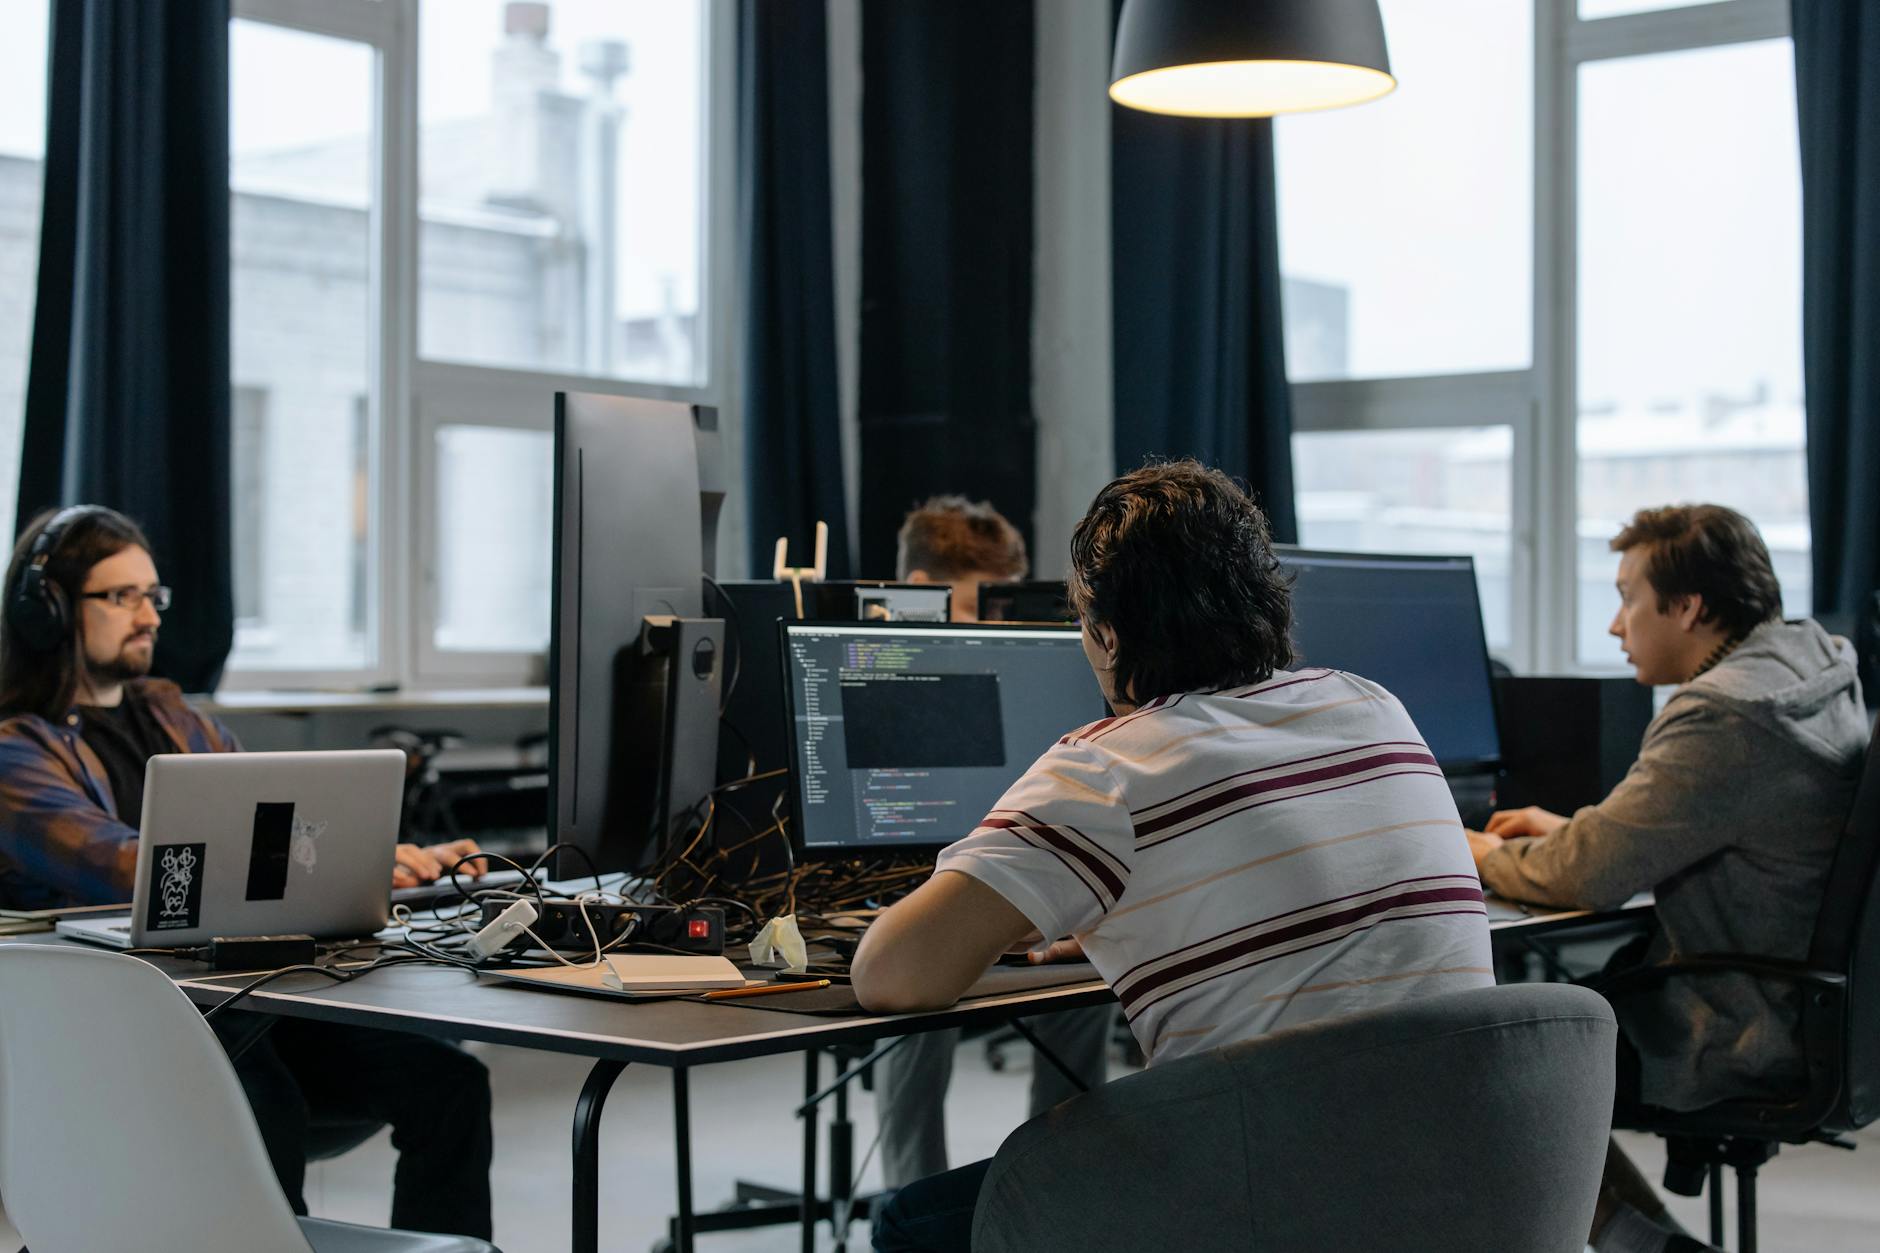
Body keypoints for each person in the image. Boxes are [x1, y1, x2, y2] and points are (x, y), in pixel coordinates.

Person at [858, 462, 1494, 1251]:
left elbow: (890, 973)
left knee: (912, 1222)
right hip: (1458, 1178)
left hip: (1270, 1196)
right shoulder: (1374, 705)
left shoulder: (1108, 768)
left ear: (1108, 632)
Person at [0, 505, 496, 1240]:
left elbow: (274, 831)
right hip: (127, 1024)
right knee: (262, 1100)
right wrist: (296, 857)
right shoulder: (15, 750)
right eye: (122, 596)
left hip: (244, 1001)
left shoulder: (174, 715)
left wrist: (376, 863)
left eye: (153, 595)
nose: (149, 615)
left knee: (449, 1083)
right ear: (48, 610)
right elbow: (128, 867)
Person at [1469, 504, 1868, 1253]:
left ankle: (1644, 1245)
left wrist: (1464, 846)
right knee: (1535, 1043)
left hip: (1737, 1024)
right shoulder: (1811, 664)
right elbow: (1729, 821)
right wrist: (1574, 828)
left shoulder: (1725, 715)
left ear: (1687, 607)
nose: (1616, 626)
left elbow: (1587, 876)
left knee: (1495, 1057)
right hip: (1813, 1009)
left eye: (1627, 597)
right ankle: (1653, 1241)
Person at [872, 495, 1113, 1190]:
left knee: (1085, 983)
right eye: (982, 606)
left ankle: (1064, 1194)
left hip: (1012, 871)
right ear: (922, 591)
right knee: (920, 1001)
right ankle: (910, 1202)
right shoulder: (871, 663)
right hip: (908, 880)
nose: (996, 628)